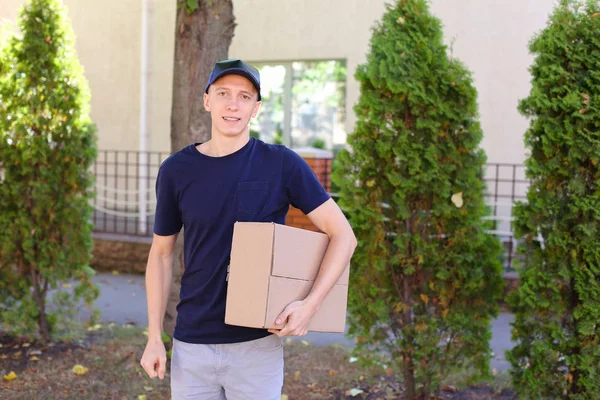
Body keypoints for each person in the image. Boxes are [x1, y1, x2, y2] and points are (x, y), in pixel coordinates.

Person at [140, 58, 357, 400]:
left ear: (256, 108)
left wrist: (310, 305)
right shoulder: (176, 171)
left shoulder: (281, 164)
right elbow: (161, 254)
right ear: (207, 100)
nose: (233, 104)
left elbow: (344, 236)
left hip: (257, 346)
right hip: (192, 346)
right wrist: (154, 337)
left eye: (244, 96)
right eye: (223, 92)